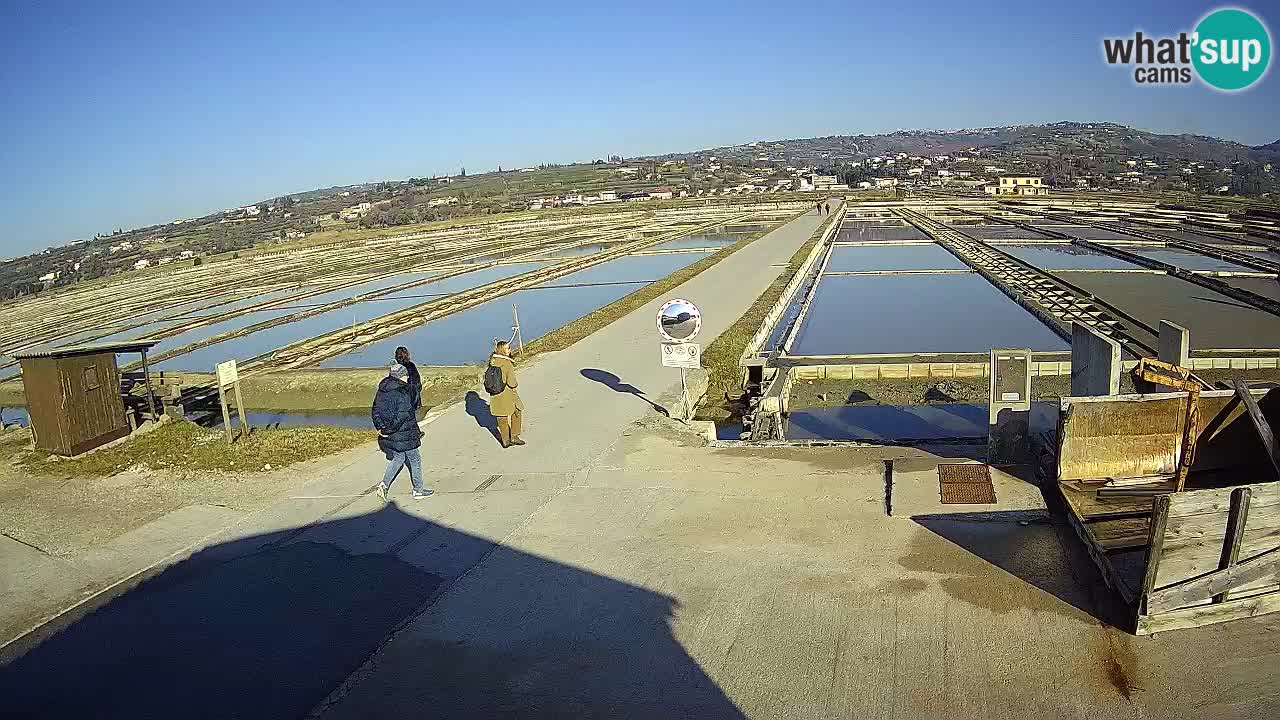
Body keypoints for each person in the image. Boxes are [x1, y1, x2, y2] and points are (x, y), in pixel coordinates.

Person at [372, 363, 431, 501]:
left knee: (398, 458)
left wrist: (381, 428)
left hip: (390, 433)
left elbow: (375, 410)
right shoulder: (402, 392)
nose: (407, 378)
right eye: (406, 376)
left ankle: (383, 485)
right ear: (402, 376)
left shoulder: (382, 390)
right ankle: (418, 490)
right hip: (404, 432)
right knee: (415, 459)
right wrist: (389, 429)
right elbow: (402, 415)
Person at [488, 340, 524, 448]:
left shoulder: (492, 362)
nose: (510, 350)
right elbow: (512, 383)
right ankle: (514, 436)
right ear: (502, 350)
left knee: (501, 417)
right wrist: (515, 384)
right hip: (507, 394)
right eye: (508, 348)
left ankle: (505, 440)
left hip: (495, 395)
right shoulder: (507, 363)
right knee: (517, 411)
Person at [394, 345, 421, 411]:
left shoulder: (408, 366)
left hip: (408, 399)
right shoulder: (408, 366)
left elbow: (414, 384)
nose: (397, 357)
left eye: (399, 355)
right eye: (397, 354)